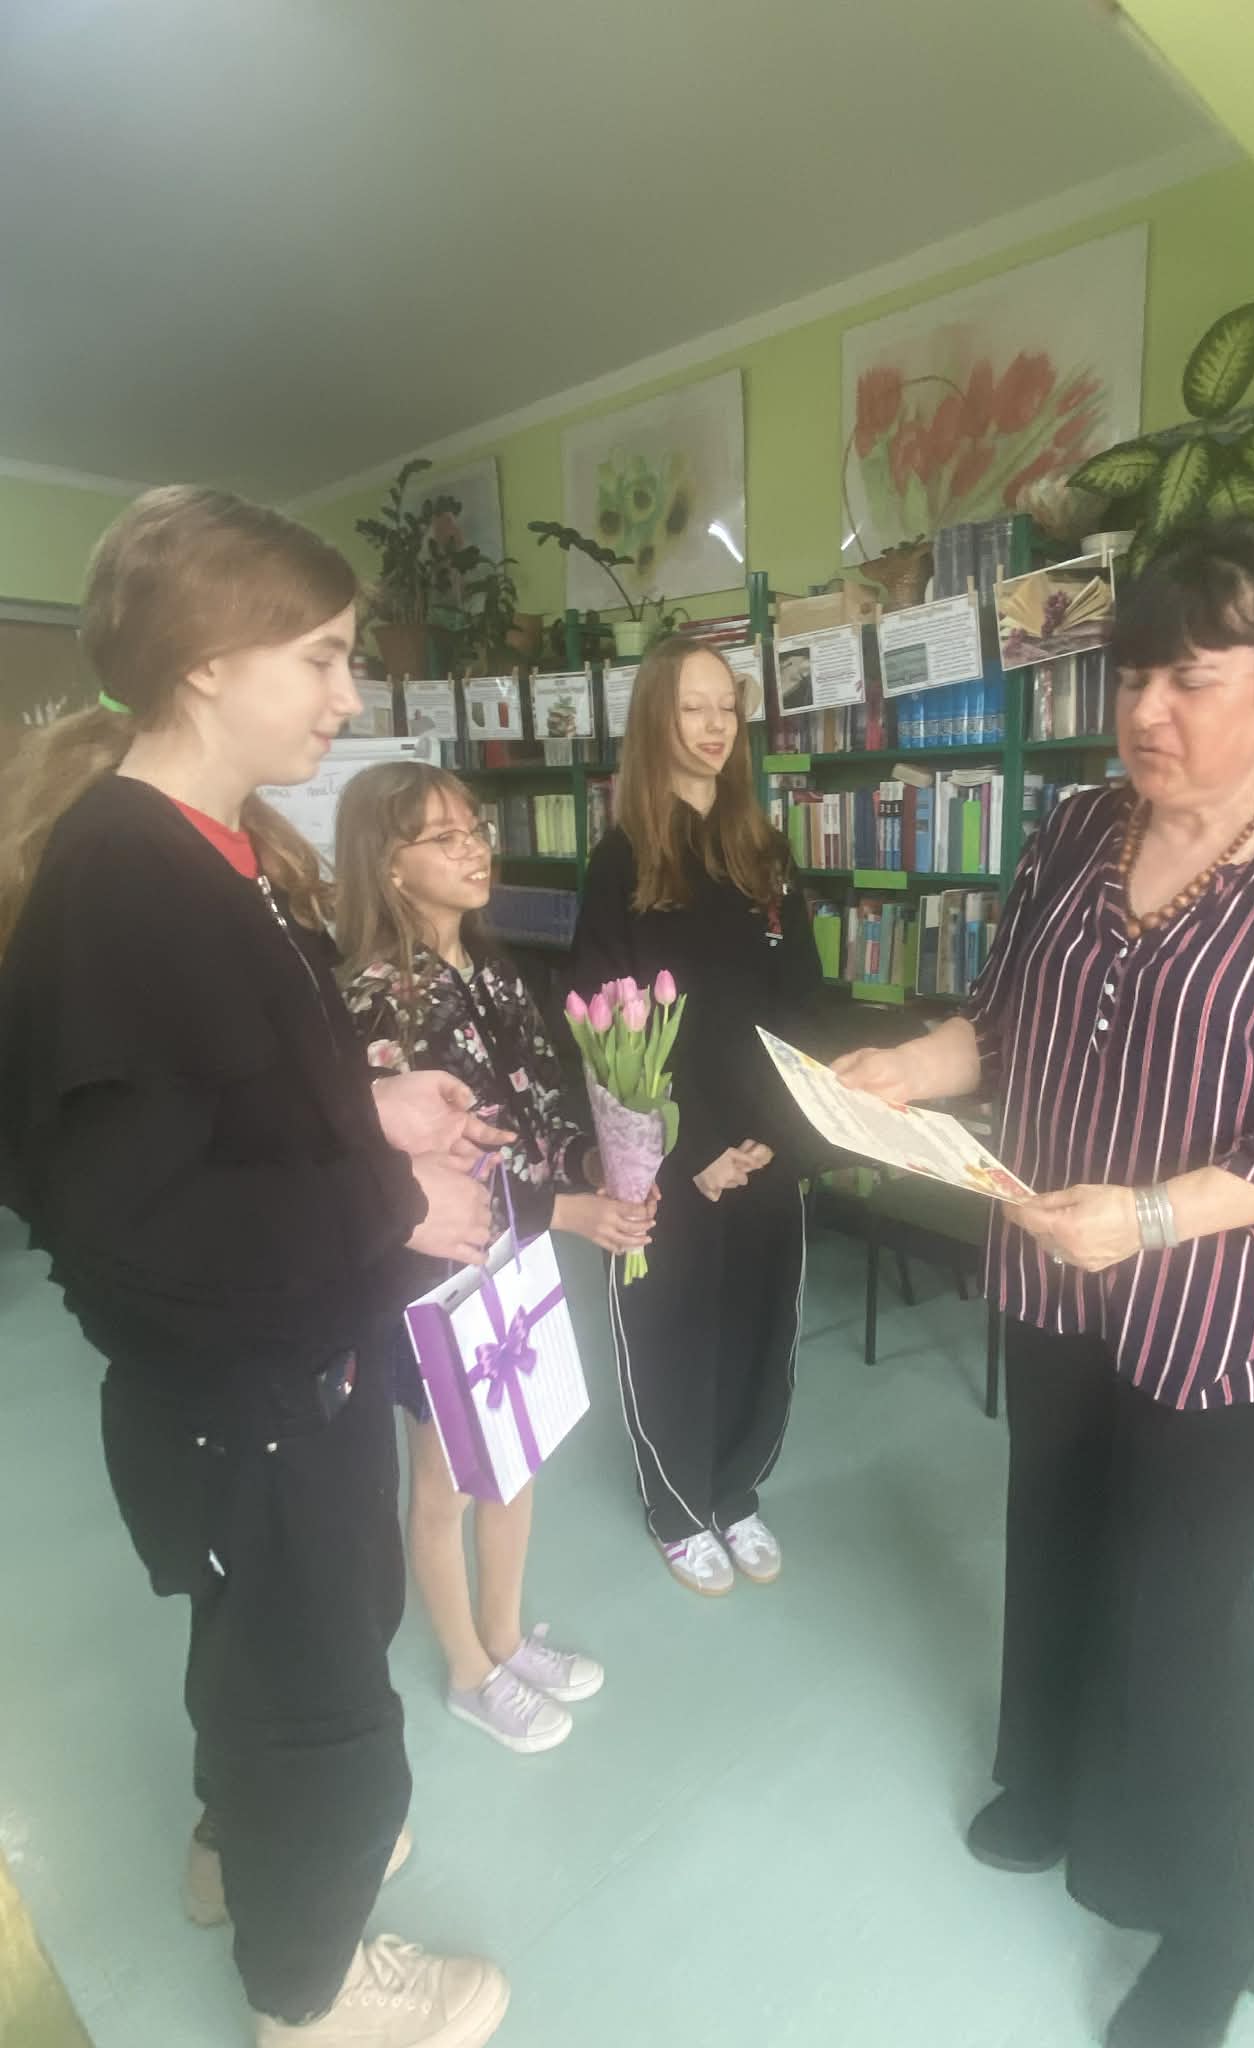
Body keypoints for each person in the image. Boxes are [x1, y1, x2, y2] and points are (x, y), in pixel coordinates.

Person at [833, 522, 1254, 2048]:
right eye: (1131, 676)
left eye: (1191, 679)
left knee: (1182, 1614)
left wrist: (1159, 1217)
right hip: (1057, 1284)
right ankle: (1049, 1781)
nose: (1147, 712)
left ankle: (1220, 1921)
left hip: (1223, 1322)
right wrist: (911, 1066)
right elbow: (1000, 1019)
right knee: (1054, 1541)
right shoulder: (1076, 832)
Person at [0, 488, 514, 2048]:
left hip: (263, 1393)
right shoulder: (127, 881)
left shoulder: (202, 852)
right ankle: (312, 1988)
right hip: (254, 1401)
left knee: (264, 1656)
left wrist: (368, 1109)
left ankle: (243, 1852)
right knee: (320, 1699)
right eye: (321, 658)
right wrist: (391, 1198)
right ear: (209, 661)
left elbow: (213, 1102)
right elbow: (129, 1226)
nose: (348, 695)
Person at [333, 760, 652, 1753]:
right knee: (444, 1482)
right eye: (446, 837)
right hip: (436, 1272)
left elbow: (541, 1099)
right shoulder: (378, 998)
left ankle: (506, 1635)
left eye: (476, 829)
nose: (475, 850)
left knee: (515, 1452)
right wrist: (570, 1209)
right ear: (388, 864)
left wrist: (598, 1159)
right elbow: (444, 1166)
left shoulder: (491, 964)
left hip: (515, 1249)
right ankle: (469, 1668)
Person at [569, 636, 828, 1597]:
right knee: (676, 1328)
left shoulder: (765, 852)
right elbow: (606, 1030)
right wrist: (694, 1155)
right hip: (675, 1155)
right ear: (656, 718)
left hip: (769, 1143)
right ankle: (678, 1505)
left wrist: (783, 1136)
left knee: (761, 1322)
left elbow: (803, 1003)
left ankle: (736, 1488)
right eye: (692, 707)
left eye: (727, 707)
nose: (715, 726)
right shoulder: (623, 862)